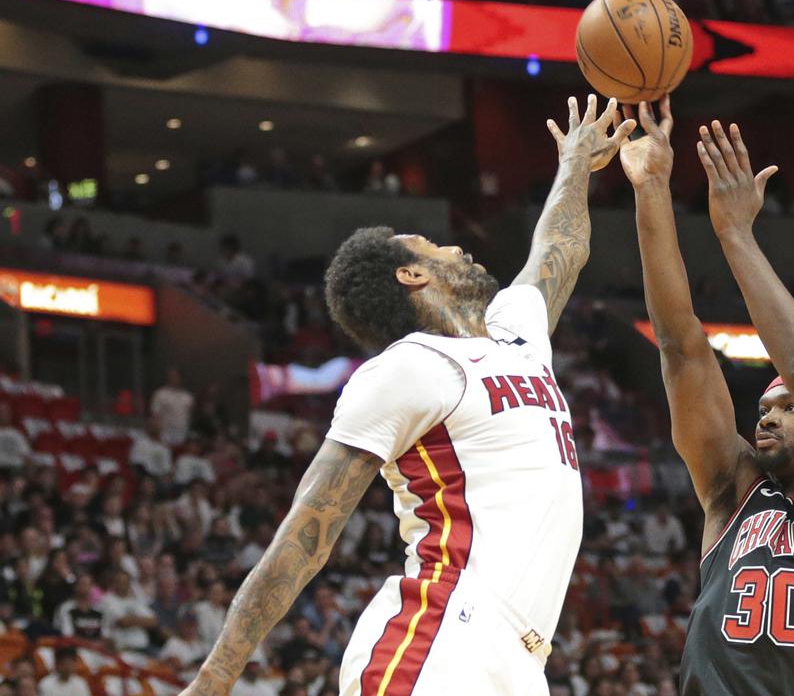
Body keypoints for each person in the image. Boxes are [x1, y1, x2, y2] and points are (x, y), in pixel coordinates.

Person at [182, 94, 634, 696]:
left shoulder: (516, 335)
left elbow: (560, 251)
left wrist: (575, 164)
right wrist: (215, 679)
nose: (458, 248)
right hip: (440, 638)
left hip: (520, 657)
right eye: (434, 246)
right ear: (411, 275)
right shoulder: (409, 368)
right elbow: (305, 534)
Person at [620, 102, 794, 696]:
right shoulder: (731, 488)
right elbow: (680, 347)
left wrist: (734, 233)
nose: (768, 419)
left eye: (787, 409)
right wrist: (651, 189)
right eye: (763, 412)